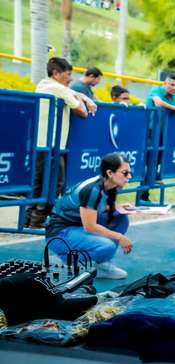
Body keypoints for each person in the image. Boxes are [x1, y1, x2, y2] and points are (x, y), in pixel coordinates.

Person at [26, 57, 97, 228]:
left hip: (41, 142)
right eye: (68, 74)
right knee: (55, 181)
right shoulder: (59, 89)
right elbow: (82, 112)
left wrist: (79, 95)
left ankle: (29, 218)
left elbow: (69, 92)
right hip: (51, 144)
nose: (71, 78)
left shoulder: (44, 84)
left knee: (38, 180)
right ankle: (38, 219)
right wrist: (84, 100)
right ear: (56, 73)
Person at [45, 153, 133, 280]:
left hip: (76, 226)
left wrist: (118, 208)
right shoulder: (93, 190)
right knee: (107, 246)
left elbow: (96, 209)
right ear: (110, 173)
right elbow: (90, 226)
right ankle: (66, 258)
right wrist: (120, 237)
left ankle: (102, 263)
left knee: (120, 219)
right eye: (125, 173)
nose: (129, 176)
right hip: (59, 233)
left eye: (129, 172)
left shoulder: (111, 185)